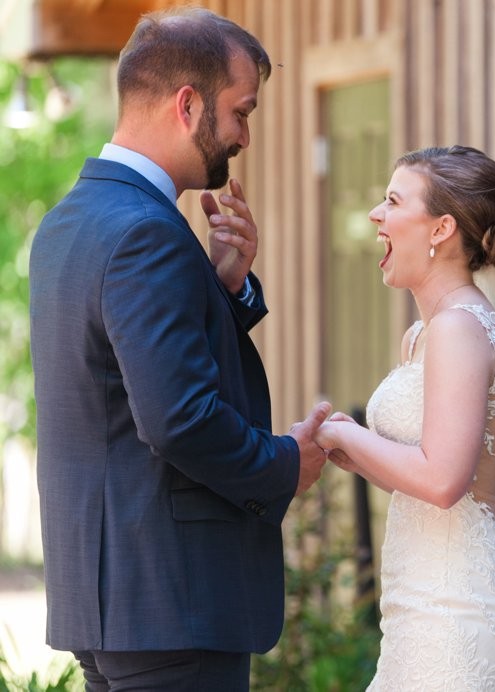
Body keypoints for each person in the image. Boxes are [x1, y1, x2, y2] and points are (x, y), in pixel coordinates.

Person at [28, 8, 330, 690]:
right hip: (172, 599)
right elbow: (178, 417)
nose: (244, 136)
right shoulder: (147, 231)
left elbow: (116, 373)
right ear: (187, 103)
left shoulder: (70, 219)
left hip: (110, 598)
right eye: (240, 112)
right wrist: (287, 463)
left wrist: (222, 287)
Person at [315, 145, 495, 691]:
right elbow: (439, 479)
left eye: (392, 201)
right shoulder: (430, 334)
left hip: (457, 607)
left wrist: (347, 433)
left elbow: (443, 479)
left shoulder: (459, 328)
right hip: (426, 600)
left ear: (441, 229)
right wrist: (355, 455)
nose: (375, 215)